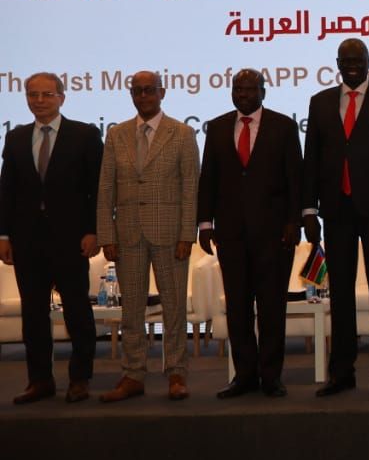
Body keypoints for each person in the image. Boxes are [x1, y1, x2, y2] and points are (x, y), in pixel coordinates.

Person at [302, 39, 369, 397]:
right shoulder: (320, 102)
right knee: (340, 295)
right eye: (346, 60)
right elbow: (311, 160)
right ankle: (342, 372)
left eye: (358, 60)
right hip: (337, 211)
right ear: (337, 63)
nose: (352, 65)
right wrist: (309, 210)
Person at [197, 69, 303, 398]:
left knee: (271, 308)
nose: (242, 94)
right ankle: (244, 376)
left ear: (263, 92)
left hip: (274, 234)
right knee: (238, 308)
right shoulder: (217, 127)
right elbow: (208, 178)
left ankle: (271, 376)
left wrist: (294, 221)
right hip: (231, 235)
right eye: (237, 89)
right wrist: (205, 224)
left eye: (249, 89)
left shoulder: (283, 126)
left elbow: (295, 178)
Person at [0, 73, 103, 404]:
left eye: (47, 94)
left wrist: (94, 230)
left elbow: (97, 188)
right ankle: (40, 380)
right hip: (27, 240)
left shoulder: (84, 135)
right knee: (33, 314)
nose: (39, 100)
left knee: (77, 312)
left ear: (62, 97)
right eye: (33, 95)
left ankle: (80, 378)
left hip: (71, 239)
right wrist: (4, 234)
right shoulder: (15, 138)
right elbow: (7, 190)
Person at [97, 70, 199, 402]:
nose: (143, 96)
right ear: (131, 95)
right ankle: (133, 374)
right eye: (137, 91)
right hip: (127, 234)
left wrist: (187, 233)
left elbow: (190, 188)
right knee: (131, 310)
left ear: (162, 92)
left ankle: (176, 373)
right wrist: (106, 234)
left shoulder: (182, 133)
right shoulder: (116, 135)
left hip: (170, 233)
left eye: (149, 90)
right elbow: (106, 188)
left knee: (174, 308)